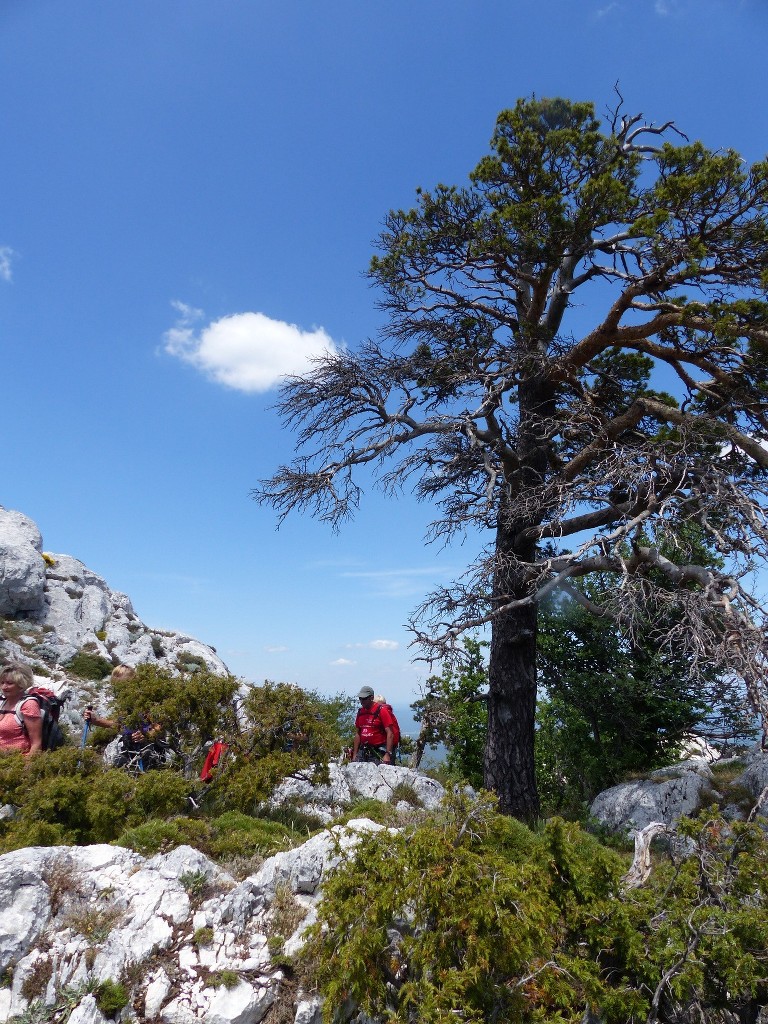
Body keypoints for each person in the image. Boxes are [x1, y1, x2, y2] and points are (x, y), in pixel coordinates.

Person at [0, 662, 43, 756]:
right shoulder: (2, 702)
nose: (4, 687)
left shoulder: (28, 705)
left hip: (16, 761)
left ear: (21, 684)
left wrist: (26, 767)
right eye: (2, 682)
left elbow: (36, 743)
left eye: (9, 683)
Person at [352, 685, 396, 764]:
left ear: (371, 698)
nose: (362, 701)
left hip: (378, 751)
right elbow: (358, 733)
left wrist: (387, 754)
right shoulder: (360, 712)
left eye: (364, 698)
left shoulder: (381, 711)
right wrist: (355, 754)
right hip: (363, 751)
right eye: (360, 698)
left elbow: (390, 733)